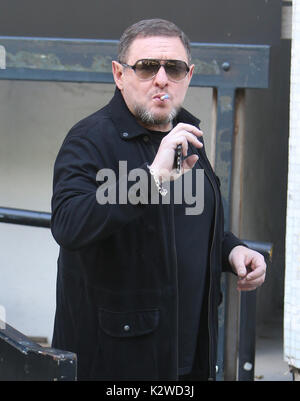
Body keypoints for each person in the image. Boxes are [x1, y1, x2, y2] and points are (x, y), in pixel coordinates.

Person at [51, 18, 266, 381]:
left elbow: (189, 227)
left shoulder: (187, 137)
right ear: (119, 75)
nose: (162, 79)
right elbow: (69, 223)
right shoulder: (90, 139)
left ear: (189, 76)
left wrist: (232, 250)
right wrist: (151, 179)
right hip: (115, 363)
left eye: (174, 68)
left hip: (189, 355)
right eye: (147, 67)